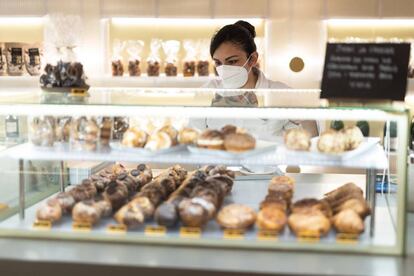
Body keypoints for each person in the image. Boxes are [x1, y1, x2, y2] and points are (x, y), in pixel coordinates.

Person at [191, 20, 318, 140]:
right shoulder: (207, 92)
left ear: (252, 59)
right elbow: (193, 139)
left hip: (269, 163)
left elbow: (308, 138)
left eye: (232, 61)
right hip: (217, 163)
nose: (224, 69)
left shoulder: (280, 93)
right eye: (218, 63)